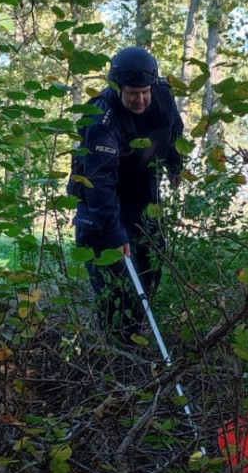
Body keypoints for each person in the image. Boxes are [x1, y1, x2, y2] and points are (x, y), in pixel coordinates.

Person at [68, 46, 184, 343]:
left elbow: (174, 129)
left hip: (142, 200)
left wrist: (175, 163)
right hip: (101, 208)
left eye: (145, 91)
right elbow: (99, 185)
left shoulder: (162, 96)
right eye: (133, 93)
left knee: (151, 269)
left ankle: (136, 338)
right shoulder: (101, 120)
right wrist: (116, 235)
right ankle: (114, 350)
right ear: (118, 87)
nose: (140, 99)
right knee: (117, 284)